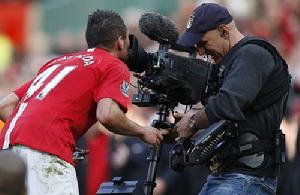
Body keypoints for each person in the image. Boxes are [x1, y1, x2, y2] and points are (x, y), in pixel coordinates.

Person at [0, 10, 165, 195]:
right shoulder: (113, 64)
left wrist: (40, 137)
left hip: (7, 156)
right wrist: (142, 131)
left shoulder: (58, 61)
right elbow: (108, 114)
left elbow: (5, 106)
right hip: (45, 155)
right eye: (127, 39)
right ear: (120, 41)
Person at [174, 3, 290, 195]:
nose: (201, 52)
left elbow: (227, 105)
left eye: (203, 43)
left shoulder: (253, 53)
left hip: (249, 177)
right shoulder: (229, 62)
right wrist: (181, 129)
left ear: (223, 31)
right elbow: (227, 121)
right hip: (225, 174)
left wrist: (193, 122)